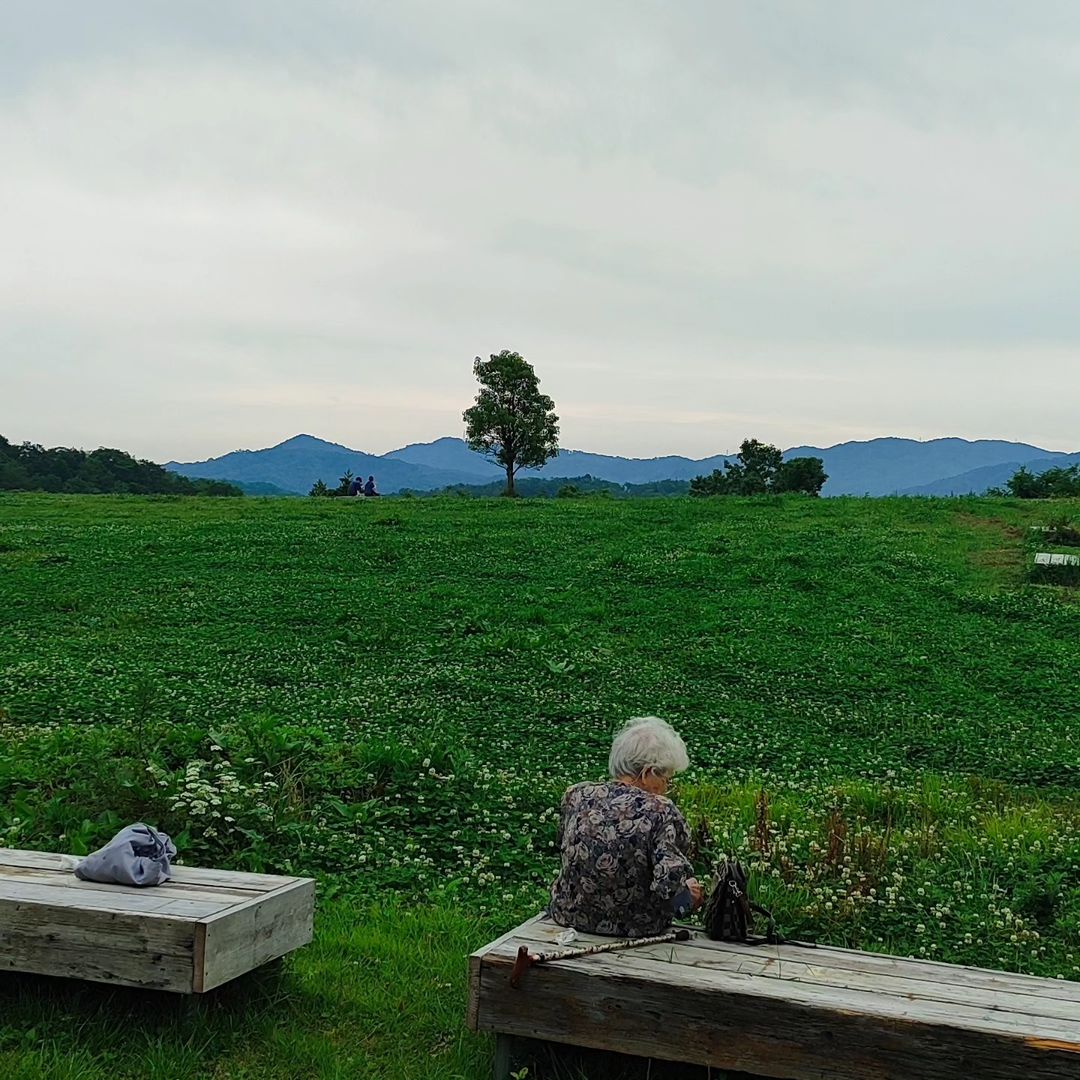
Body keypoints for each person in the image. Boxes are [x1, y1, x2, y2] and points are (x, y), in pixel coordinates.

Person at [548, 716, 704, 938]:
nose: (667, 787)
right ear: (649, 773)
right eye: (667, 779)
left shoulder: (576, 795)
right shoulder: (660, 810)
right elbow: (670, 890)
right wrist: (690, 896)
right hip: (635, 929)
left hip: (568, 918)